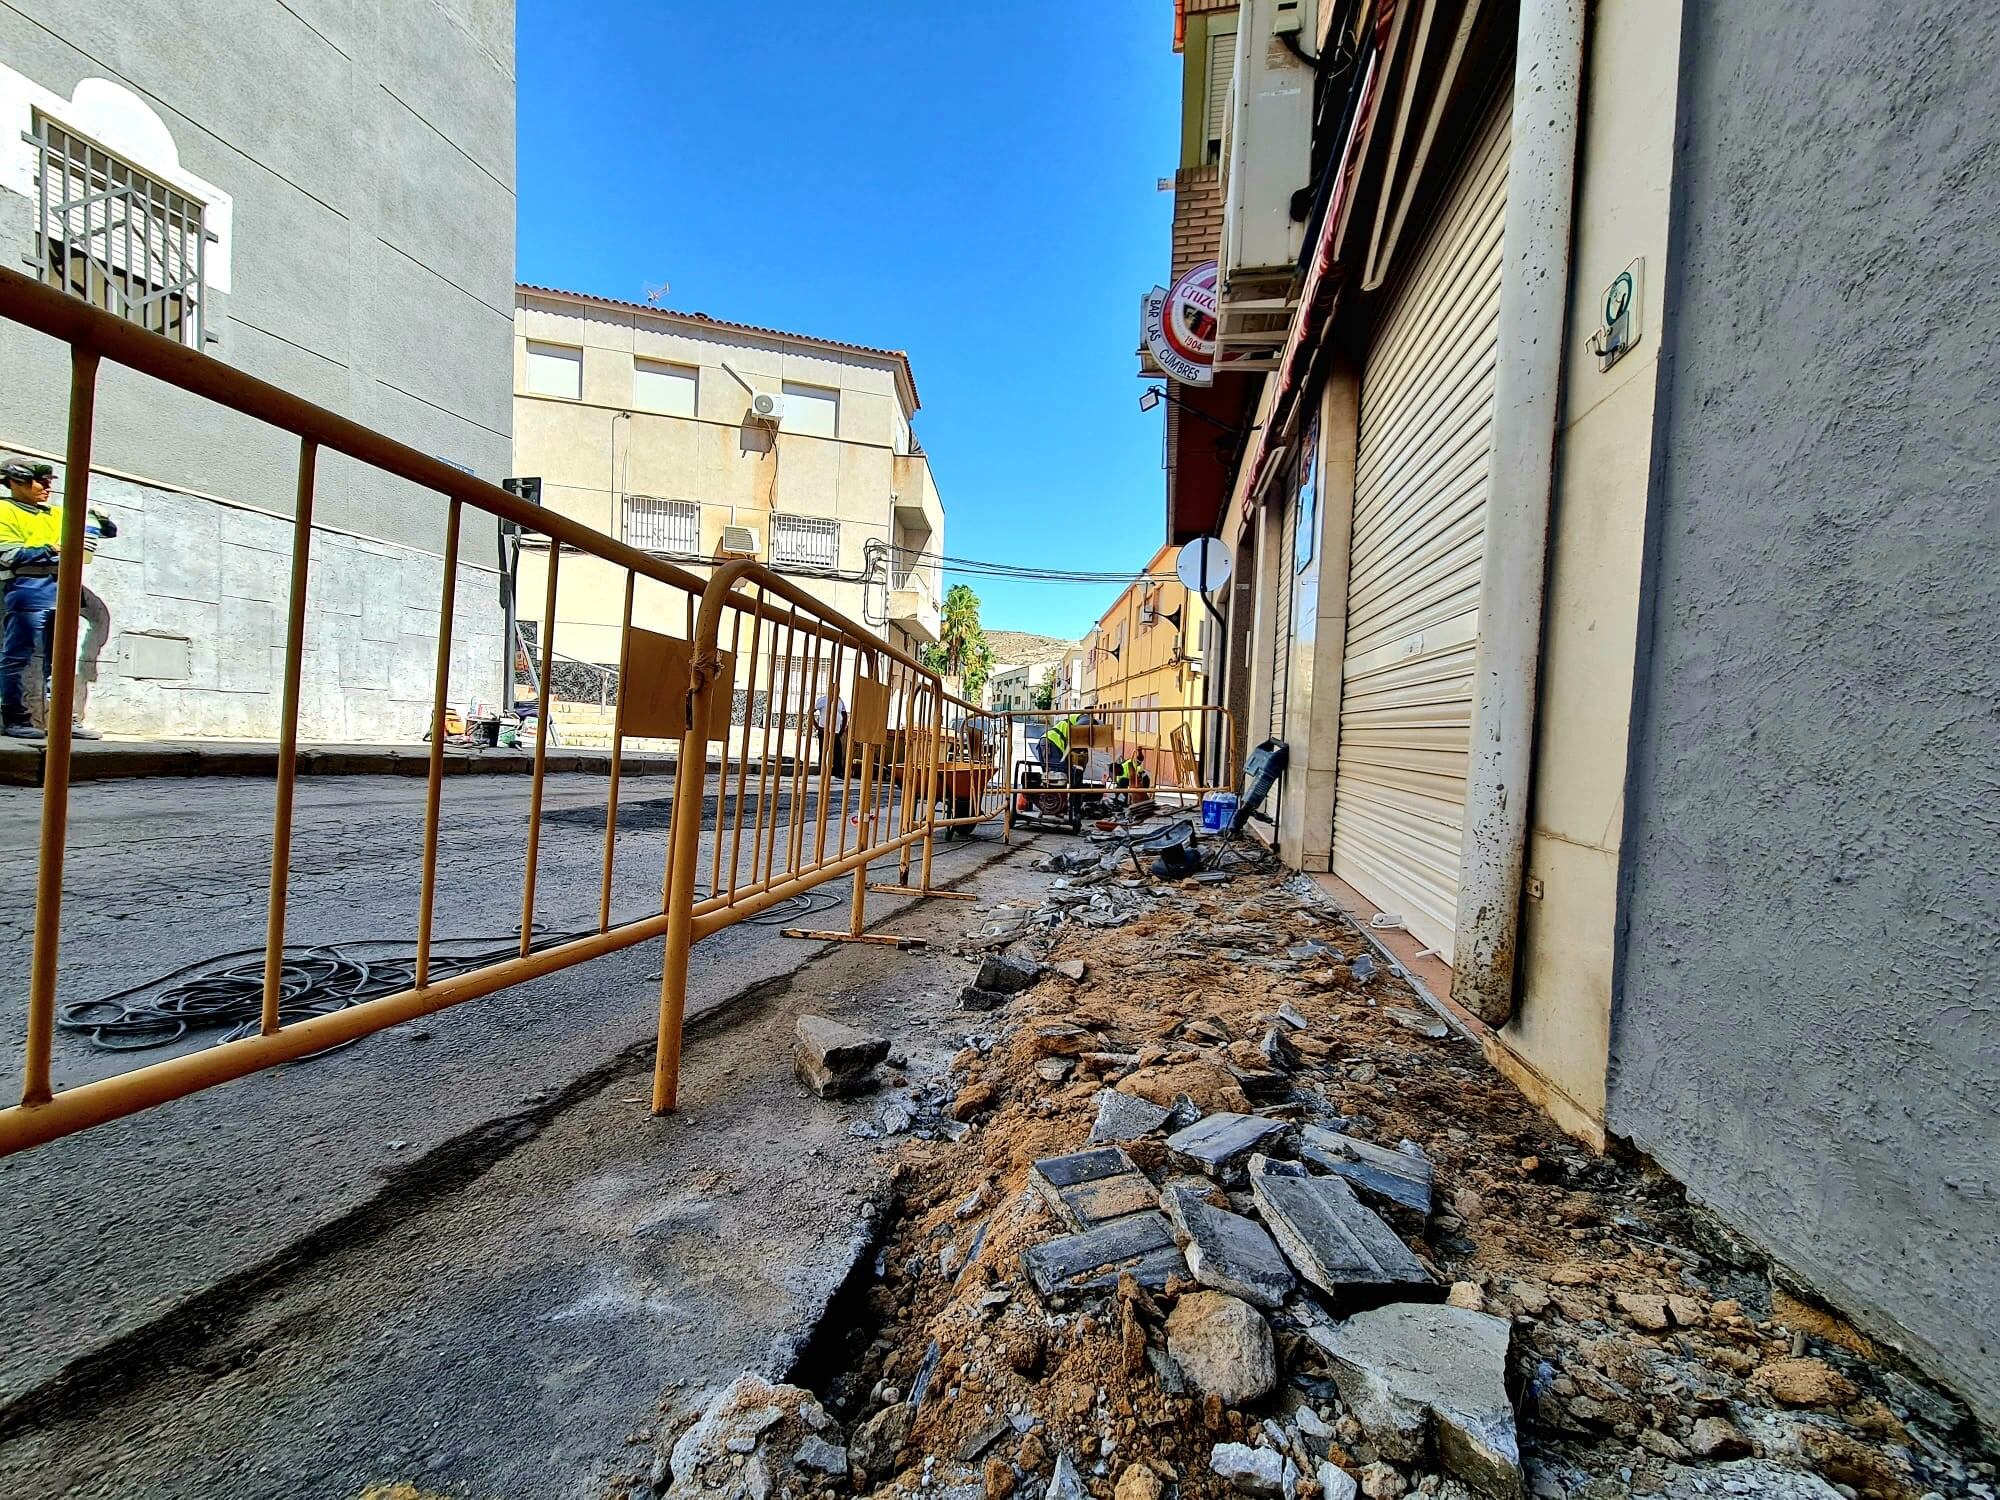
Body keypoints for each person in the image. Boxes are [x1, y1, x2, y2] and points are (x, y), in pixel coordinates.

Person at [0, 459, 115, 741]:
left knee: (61, 660)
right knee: (18, 655)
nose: (46, 488)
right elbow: (7, 554)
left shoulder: (56, 512)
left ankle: (63, 719)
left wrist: (101, 522)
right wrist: (53, 548)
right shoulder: (5, 510)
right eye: (39, 482)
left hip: (63, 589)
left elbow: (103, 533)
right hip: (28, 587)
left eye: (50, 482)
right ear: (14, 482)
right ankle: (14, 718)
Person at [812, 690, 848, 770]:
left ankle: (837, 772)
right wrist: (817, 726)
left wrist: (842, 729)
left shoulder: (840, 701)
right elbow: (811, 711)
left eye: (838, 689)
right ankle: (822, 771)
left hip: (835, 732)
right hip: (824, 731)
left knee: (837, 752)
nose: (837, 691)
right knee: (823, 752)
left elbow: (844, 715)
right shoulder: (823, 700)